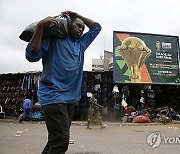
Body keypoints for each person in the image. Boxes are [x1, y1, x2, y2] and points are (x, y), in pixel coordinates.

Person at [25, 10, 101, 154]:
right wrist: (40, 27)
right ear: (67, 25)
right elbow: (32, 56)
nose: (80, 30)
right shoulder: (54, 39)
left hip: (71, 100)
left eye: (83, 28)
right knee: (61, 141)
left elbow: (97, 27)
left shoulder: (81, 43)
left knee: (55, 140)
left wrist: (77, 14)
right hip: (53, 96)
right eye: (78, 26)